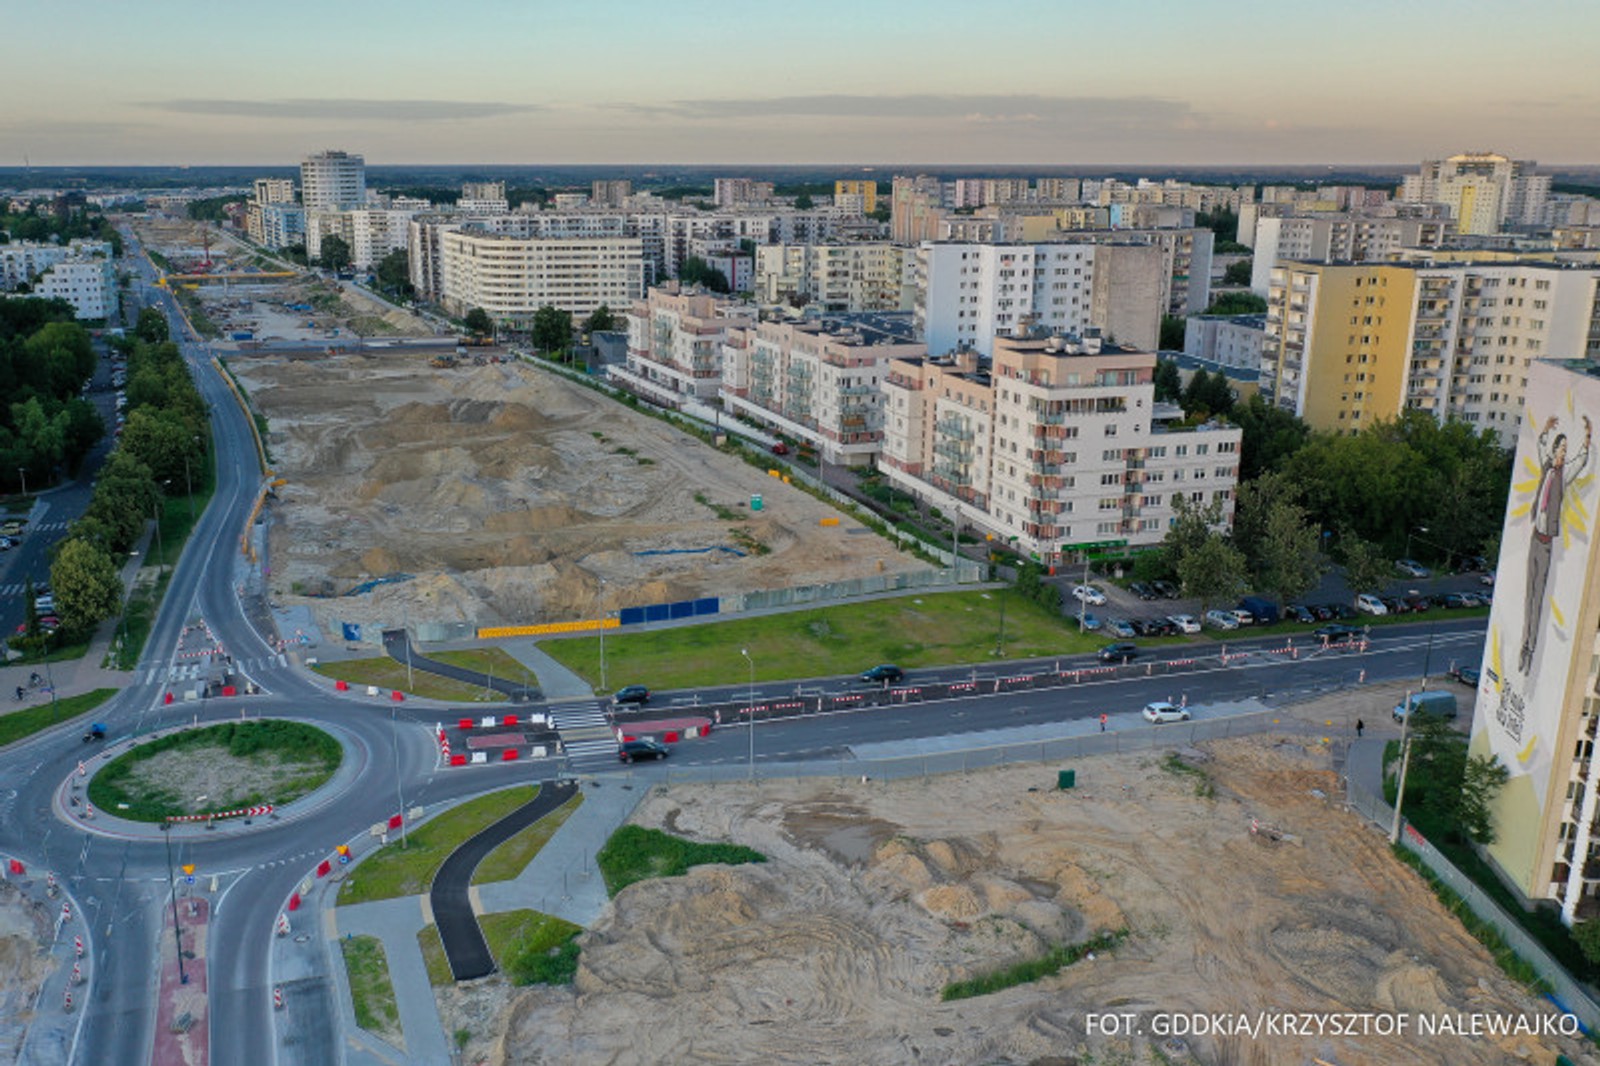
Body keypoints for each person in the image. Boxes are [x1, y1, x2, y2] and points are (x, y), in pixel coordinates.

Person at [1520, 414, 1592, 674]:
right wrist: (1546, 430)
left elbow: (1581, 461)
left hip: (1547, 543)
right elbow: (1540, 447)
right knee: (1528, 595)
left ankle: (1530, 651)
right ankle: (1522, 648)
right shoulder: (1547, 468)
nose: (1562, 453)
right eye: (1560, 448)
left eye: (1564, 450)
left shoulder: (1563, 476)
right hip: (1534, 540)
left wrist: (1587, 438)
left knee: (1538, 600)